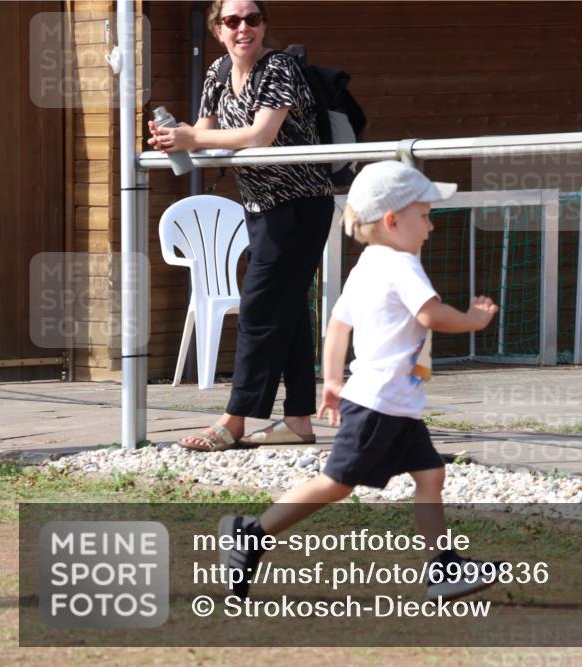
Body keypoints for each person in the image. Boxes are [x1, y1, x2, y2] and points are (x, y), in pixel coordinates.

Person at [218, 160, 501, 602]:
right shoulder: (402, 265)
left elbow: (337, 326)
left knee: (430, 475)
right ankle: (251, 534)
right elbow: (430, 314)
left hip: (392, 403)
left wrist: (331, 381)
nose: (430, 227)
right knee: (335, 484)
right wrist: (473, 320)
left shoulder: (368, 262)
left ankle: (443, 569)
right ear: (392, 221)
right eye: (424, 216)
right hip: (380, 404)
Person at [148, 0, 333, 450]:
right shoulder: (215, 73)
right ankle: (298, 423)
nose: (243, 28)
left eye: (252, 19)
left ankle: (234, 421)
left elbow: (258, 134)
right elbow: (208, 133)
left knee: (258, 310)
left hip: (301, 206)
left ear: (264, 25)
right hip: (260, 206)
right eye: (232, 21)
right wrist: (178, 139)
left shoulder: (279, 67)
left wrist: (193, 135)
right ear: (218, 29)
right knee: (286, 310)